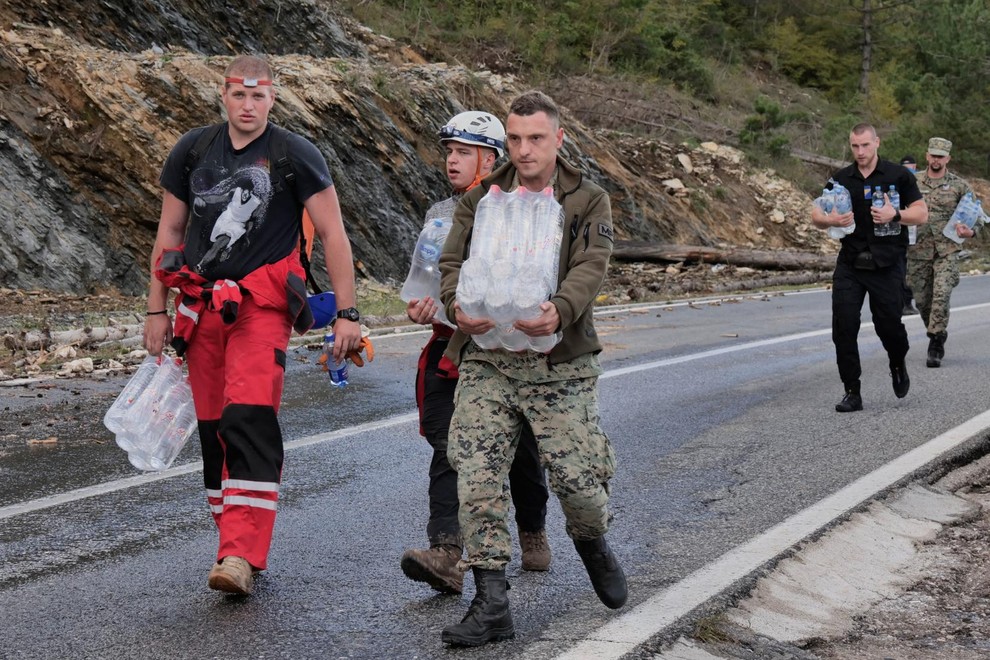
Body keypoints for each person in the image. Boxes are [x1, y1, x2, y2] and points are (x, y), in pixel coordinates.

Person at [142, 55, 362, 596]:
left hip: (261, 308)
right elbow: (170, 230)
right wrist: (155, 309)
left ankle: (241, 553)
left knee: (249, 417)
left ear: (273, 97)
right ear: (223, 94)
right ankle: (231, 543)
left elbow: (334, 234)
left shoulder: (294, 154)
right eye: (239, 95)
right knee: (215, 434)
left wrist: (349, 315)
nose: (248, 105)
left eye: (259, 96)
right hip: (200, 309)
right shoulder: (193, 148)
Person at [437, 90, 626, 647]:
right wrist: (455, 306)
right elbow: (453, 262)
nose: (524, 150)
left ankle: (593, 543)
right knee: (475, 472)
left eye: (536, 139)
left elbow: (593, 264)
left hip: (558, 365)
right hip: (489, 361)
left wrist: (562, 310)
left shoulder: (588, 200)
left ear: (558, 139)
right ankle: (492, 601)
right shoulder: (482, 199)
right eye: (515, 139)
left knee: (578, 482)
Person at [399, 111, 552, 595]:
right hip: (450, 348)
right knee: (451, 448)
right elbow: (424, 284)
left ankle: (532, 526)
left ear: (491, 158)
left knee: (524, 454)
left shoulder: (521, 210)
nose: (452, 160)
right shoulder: (438, 215)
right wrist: (423, 308)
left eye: (463, 151)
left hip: (506, 350)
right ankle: (446, 552)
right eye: (449, 151)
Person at [811, 123, 928, 413]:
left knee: (888, 326)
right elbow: (816, 212)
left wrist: (895, 214)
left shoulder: (898, 175)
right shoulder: (840, 178)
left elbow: (921, 213)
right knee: (844, 326)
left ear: (877, 142)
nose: (860, 152)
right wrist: (830, 221)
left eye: (865, 145)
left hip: (887, 264)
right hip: (850, 263)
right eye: (855, 146)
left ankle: (897, 361)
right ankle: (852, 391)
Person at [907, 137, 977, 368]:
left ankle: (935, 341)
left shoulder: (960, 186)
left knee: (941, 294)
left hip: (947, 250)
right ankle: (937, 331)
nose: (936, 159)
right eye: (933, 155)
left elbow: (978, 218)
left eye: (941, 156)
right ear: (927, 155)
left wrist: (971, 231)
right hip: (917, 251)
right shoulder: (911, 181)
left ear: (948, 158)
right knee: (922, 300)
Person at [899, 155, 920, 314]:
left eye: (911, 167)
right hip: (902, 234)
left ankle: (909, 302)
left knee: (914, 272)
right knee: (902, 271)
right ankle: (904, 304)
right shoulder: (897, 183)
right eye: (905, 167)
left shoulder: (920, 183)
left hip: (919, 235)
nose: (908, 171)